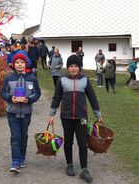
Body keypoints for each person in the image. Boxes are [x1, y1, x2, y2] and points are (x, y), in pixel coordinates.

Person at [49, 55, 102, 183]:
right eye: (71, 66)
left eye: (76, 66)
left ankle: (84, 169)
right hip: (66, 117)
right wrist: (52, 114)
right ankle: (69, 164)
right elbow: (56, 98)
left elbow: (92, 98)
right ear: (68, 67)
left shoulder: (85, 80)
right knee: (68, 142)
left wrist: (98, 114)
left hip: (81, 117)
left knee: (82, 142)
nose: (73, 69)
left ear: (79, 67)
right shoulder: (62, 80)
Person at [0, 53, 41, 173]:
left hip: (26, 113)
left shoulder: (32, 78)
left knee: (24, 136)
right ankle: (15, 161)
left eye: (22, 62)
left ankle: (22, 157)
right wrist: (10, 98)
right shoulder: (9, 78)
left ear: (25, 64)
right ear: (13, 65)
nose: (19, 64)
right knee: (15, 137)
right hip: (12, 113)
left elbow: (37, 93)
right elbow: (3, 92)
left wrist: (29, 100)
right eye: (17, 62)